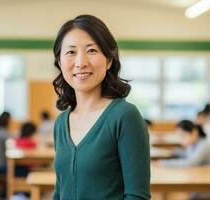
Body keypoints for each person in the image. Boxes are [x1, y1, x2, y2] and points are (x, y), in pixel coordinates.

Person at [52, 15, 151, 199]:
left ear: (109, 60)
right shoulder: (61, 123)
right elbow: (60, 191)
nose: (81, 62)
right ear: (59, 62)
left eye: (91, 50)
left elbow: (137, 196)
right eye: (71, 52)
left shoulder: (125, 116)